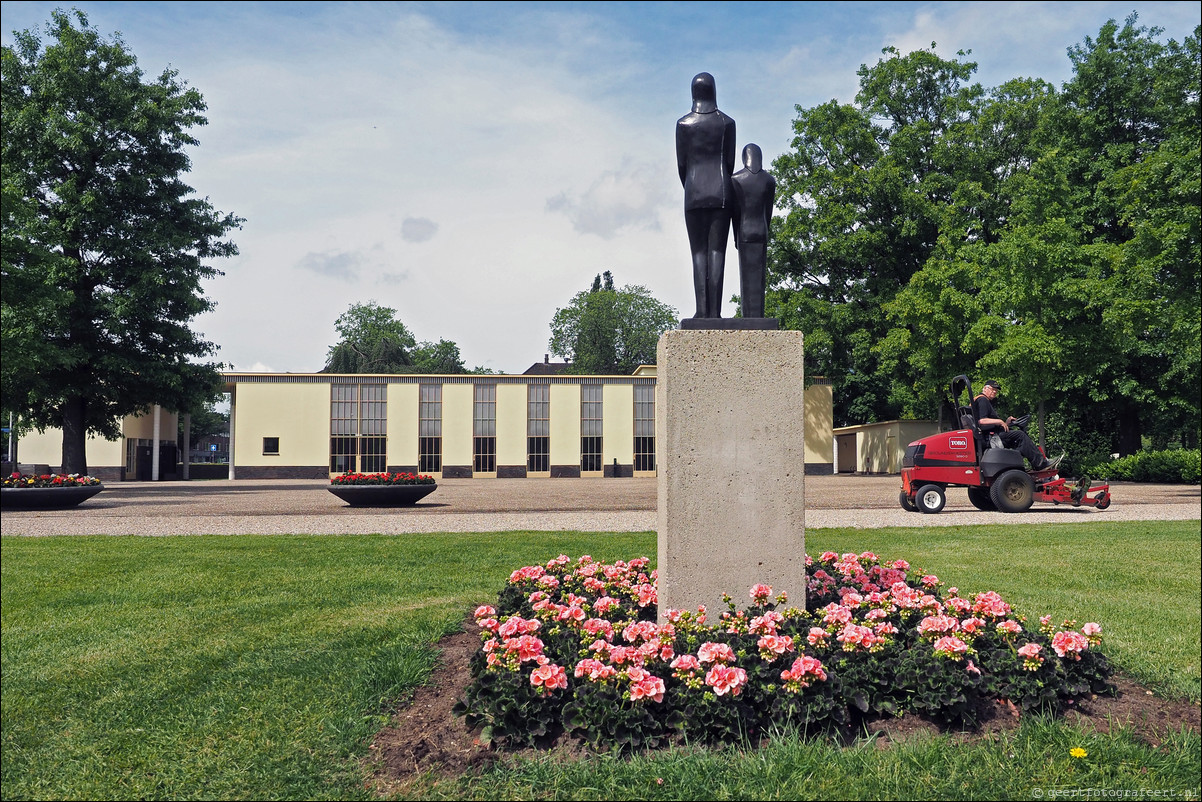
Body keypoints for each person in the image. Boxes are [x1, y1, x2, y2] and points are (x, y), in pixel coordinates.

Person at [677, 72, 736, 318]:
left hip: (693, 192)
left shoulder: (683, 125)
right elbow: (730, 163)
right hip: (722, 192)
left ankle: (701, 311)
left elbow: (682, 165)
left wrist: (692, 186)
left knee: (698, 253)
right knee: (717, 252)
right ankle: (715, 313)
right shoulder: (727, 123)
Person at [971, 380, 1062, 472]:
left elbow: (989, 423)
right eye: (992, 389)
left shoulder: (981, 400)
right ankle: (1041, 464)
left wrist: (1006, 423)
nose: (994, 392)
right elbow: (981, 421)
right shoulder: (982, 400)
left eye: (996, 390)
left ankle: (1019, 466)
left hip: (992, 434)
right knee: (1020, 435)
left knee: (1017, 439)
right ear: (985, 388)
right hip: (991, 437)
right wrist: (999, 421)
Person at [731, 143, 775, 318]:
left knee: (746, 276)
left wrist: (735, 235)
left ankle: (749, 316)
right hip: (761, 230)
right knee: (759, 277)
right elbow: (768, 211)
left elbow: (735, 212)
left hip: (744, 230)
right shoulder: (769, 180)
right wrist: (765, 229)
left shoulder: (735, 179)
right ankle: (757, 315)